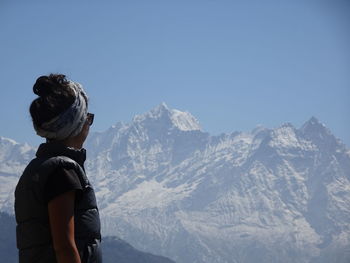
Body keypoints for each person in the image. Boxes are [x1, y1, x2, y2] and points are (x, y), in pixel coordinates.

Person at [14, 74, 102, 263]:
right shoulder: (62, 171)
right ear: (77, 124)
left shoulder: (41, 167)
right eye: (88, 118)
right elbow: (64, 246)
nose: (89, 124)